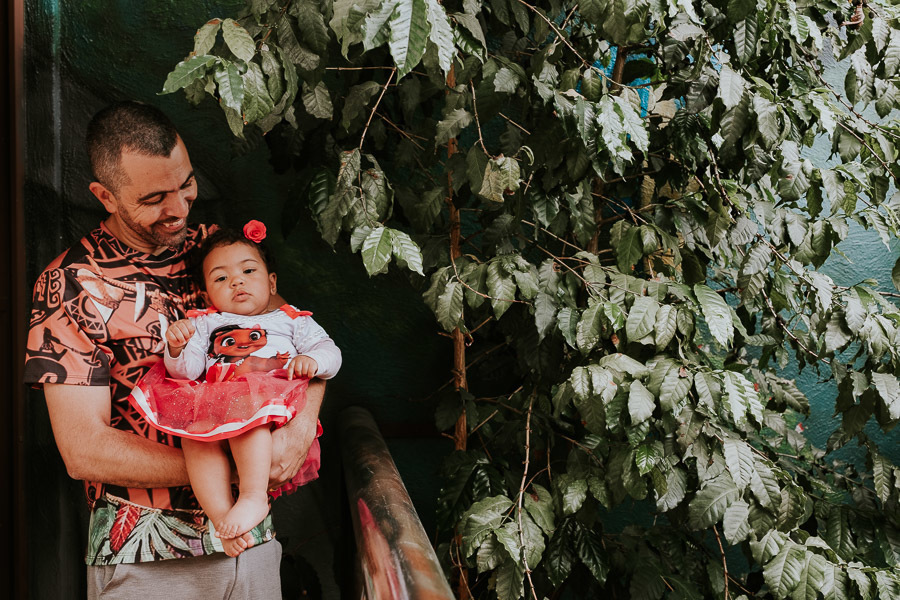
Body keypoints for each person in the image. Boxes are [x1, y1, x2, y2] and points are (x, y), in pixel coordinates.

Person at [23, 101, 325, 598]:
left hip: (252, 541)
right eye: (155, 198)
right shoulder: (73, 284)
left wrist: (295, 434)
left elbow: (297, 334)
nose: (180, 209)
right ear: (106, 196)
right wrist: (238, 465)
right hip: (146, 555)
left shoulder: (218, 252)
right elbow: (84, 450)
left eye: (186, 184)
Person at [127, 222, 341, 558]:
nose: (236, 281)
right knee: (194, 440)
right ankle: (221, 518)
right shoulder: (204, 322)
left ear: (272, 282)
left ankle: (253, 496)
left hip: (264, 408)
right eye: (221, 278)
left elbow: (331, 352)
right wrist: (176, 347)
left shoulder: (292, 319)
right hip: (216, 407)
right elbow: (188, 371)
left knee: (246, 418)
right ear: (207, 293)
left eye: (248, 271)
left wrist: (313, 361)